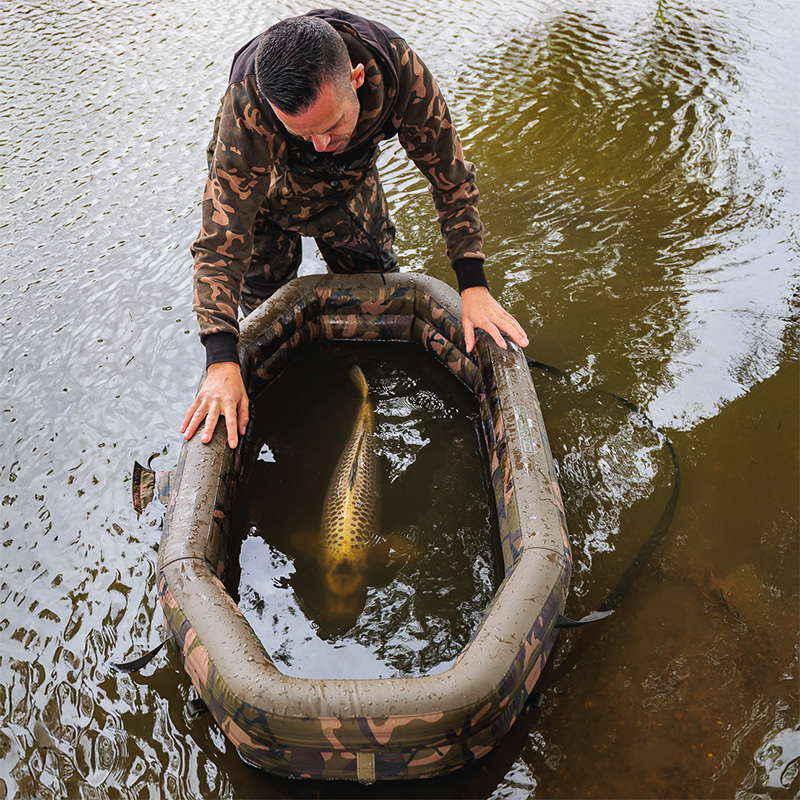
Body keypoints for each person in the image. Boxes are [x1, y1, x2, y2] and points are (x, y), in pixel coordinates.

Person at [181, 9, 528, 449]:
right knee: (269, 326)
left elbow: (451, 179)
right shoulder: (248, 106)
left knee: (378, 298)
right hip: (264, 204)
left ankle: (370, 406)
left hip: (347, 191)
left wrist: (472, 284)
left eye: (330, 126)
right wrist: (220, 356)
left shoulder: (402, 74)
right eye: (303, 134)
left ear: (357, 78)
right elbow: (219, 241)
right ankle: (308, 421)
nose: (320, 145)